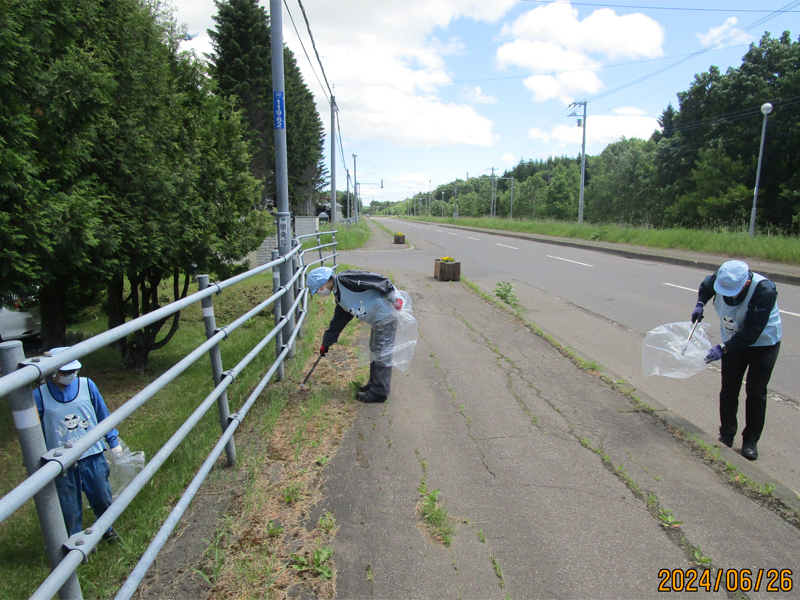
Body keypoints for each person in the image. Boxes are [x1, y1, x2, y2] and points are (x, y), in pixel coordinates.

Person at [691, 260, 781, 461]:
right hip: (732, 340)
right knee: (729, 388)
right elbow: (706, 287)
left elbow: (752, 332)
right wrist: (700, 303)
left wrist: (723, 348)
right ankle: (726, 434)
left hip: (763, 343)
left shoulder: (764, 291)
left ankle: (750, 441)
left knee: (756, 392)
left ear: (746, 284)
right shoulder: (721, 276)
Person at [33, 347, 122, 541]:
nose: (70, 376)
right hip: (62, 461)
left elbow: (102, 414)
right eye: (65, 373)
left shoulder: (87, 385)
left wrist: (112, 440)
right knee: (68, 504)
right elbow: (35, 433)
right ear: (54, 372)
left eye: (74, 371)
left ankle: (106, 528)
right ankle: (74, 540)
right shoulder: (39, 395)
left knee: (102, 495)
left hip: (92, 453)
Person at [307, 266, 403, 403]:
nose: (319, 293)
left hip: (386, 313)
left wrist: (393, 297)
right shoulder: (339, 295)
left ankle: (379, 392)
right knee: (375, 349)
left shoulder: (345, 279)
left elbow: (378, 280)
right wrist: (326, 342)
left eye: (317, 290)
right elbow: (338, 321)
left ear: (322, 284)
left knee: (382, 352)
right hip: (378, 317)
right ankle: (374, 384)